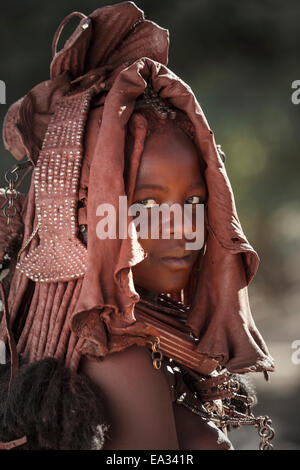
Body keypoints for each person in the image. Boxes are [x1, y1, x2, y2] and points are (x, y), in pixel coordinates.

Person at [0, 2, 274, 450]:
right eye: (145, 204)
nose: (181, 227)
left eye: (194, 201)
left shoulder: (143, 340)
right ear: (82, 217)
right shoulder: (123, 358)